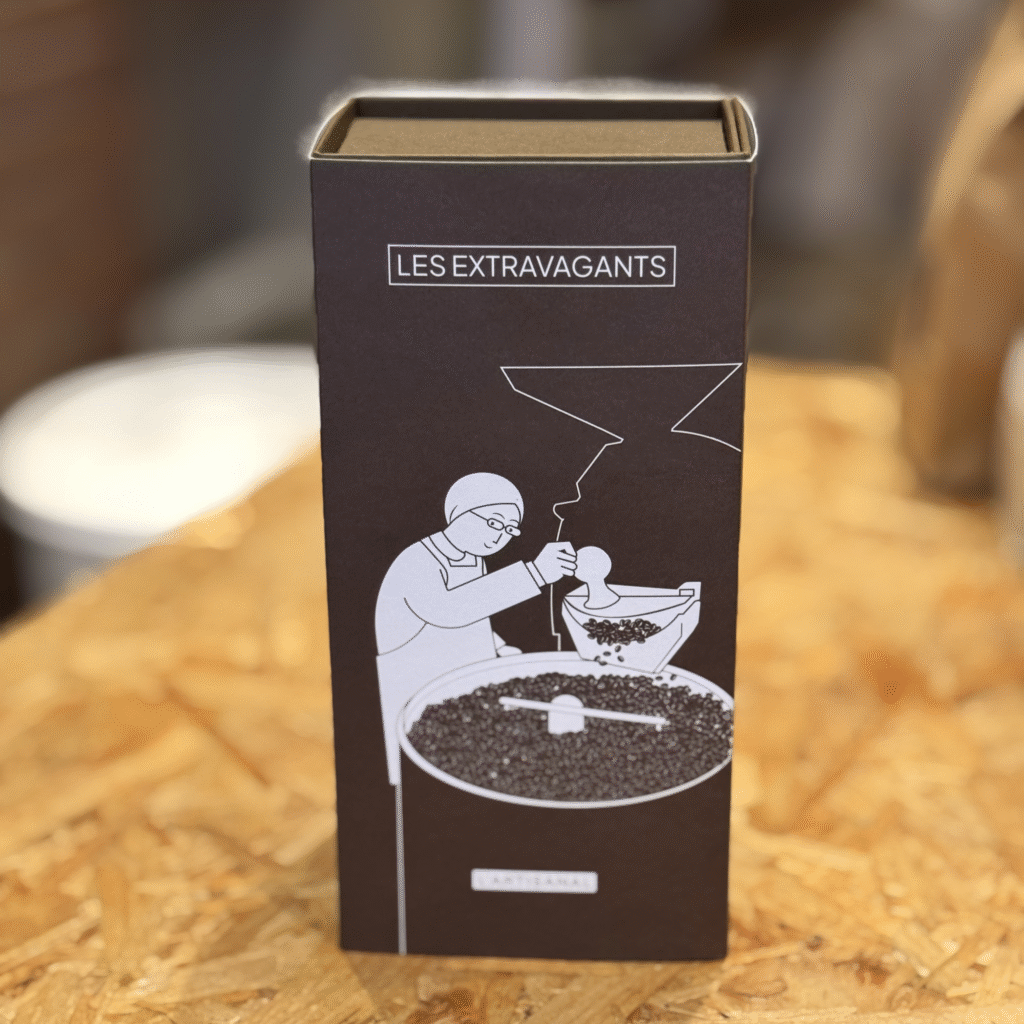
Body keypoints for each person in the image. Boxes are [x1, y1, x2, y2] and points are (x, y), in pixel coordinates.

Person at [375, 472, 576, 784]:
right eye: (493, 522)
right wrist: (535, 573)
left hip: (464, 693)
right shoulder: (417, 561)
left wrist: (497, 646)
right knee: (423, 781)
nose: (499, 537)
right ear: (458, 512)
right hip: (416, 689)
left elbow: (472, 615)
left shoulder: (473, 559)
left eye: (509, 530)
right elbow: (447, 611)